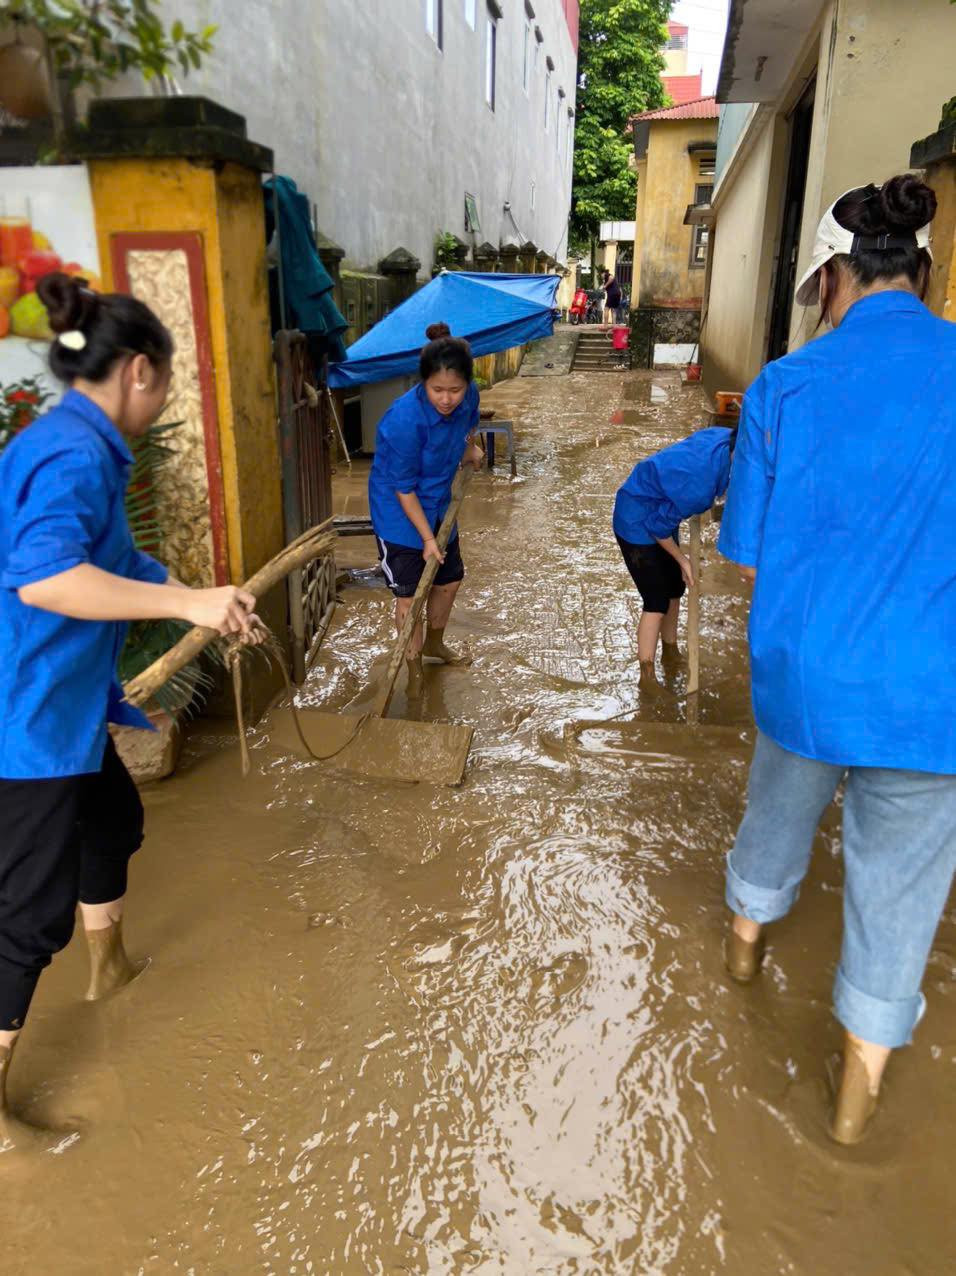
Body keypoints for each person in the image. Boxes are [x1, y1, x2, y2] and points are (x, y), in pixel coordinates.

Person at [717, 174, 956, 1145]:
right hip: (932, 698)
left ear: (828, 278)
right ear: (926, 270)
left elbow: (744, 554)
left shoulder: (784, 384)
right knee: (896, 893)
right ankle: (851, 1116)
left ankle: (739, 969)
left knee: (772, 820)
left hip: (805, 679)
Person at [0, 273, 262, 1151]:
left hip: (64, 706)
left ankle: (106, 969)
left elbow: (122, 561)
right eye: (169, 381)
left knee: (113, 820)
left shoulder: (87, 444)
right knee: (25, 918)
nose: (165, 397)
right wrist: (187, 610)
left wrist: (205, 596)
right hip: (25, 719)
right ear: (140, 371)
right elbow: (47, 578)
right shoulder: (72, 454)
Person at [368, 323, 484, 698]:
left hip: (437, 500)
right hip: (400, 512)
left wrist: (468, 448)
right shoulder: (403, 420)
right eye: (437, 390)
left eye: (455, 390)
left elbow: (468, 424)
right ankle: (413, 666)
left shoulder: (468, 398)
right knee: (409, 594)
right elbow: (403, 489)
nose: (447, 399)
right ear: (423, 384)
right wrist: (426, 539)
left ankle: (434, 644)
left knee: (449, 580)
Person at [613, 427, 734, 687]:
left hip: (660, 509)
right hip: (634, 518)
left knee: (675, 589)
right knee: (656, 600)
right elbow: (658, 528)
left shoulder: (723, 436)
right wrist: (683, 559)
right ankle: (647, 678)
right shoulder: (700, 489)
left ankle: (670, 652)